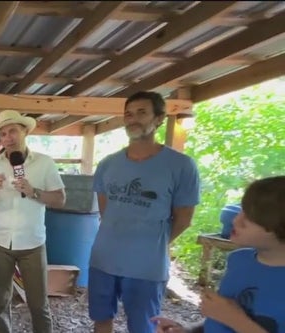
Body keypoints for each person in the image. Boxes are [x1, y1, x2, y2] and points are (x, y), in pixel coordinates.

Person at [89, 91, 201, 333]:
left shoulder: (181, 165)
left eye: (142, 113)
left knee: (143, 326)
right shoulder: (108, 164)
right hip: (103, 259)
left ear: (159, 119)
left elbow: (184, 219)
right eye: (128, 114)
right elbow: (105, 211)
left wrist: (152, 243)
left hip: (146, 266)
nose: (133, 119)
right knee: (101, 318)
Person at [152, 176, 285, 333]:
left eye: (248, 218)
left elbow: (228, 316)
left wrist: (235, 319)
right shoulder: (239, 260)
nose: (236, 220)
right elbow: (219, 320)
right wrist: (189, 331)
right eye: (241, 210)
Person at [0, 110, 66, 333]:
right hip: (0, 243)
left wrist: (34, 191)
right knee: (0, 302)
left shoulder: (44, 163)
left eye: (13, 131)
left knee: (38, 304)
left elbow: (60, 199)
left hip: (33, 244)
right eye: (3, 134)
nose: (8, 138)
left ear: (25, 131)